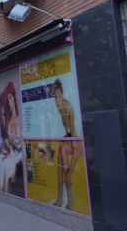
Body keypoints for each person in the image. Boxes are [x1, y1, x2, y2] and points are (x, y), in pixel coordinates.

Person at [53, 79, 80, 209]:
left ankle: (70, 200)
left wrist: (70, 170)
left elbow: (75, 141)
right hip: (68, 139)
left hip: (76, 142)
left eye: (59, 96)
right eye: (55, 97)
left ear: (63, 96)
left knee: (63, 152)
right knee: (60, 155)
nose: (57, 100)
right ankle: (60, 199)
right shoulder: (60, 109)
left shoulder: (68, 109)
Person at [0, 82, 24, 195]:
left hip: (20, 152)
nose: (9, 101)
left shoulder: (19, 119)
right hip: (13, 151)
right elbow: (9, 144)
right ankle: (3, 190)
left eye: (11, 98)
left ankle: (6, 190)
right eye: (8, 99)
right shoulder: (8, 121)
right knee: (0, 158)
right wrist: (7, 148)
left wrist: (11, 145)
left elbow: (19, 146)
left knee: (7, 163)